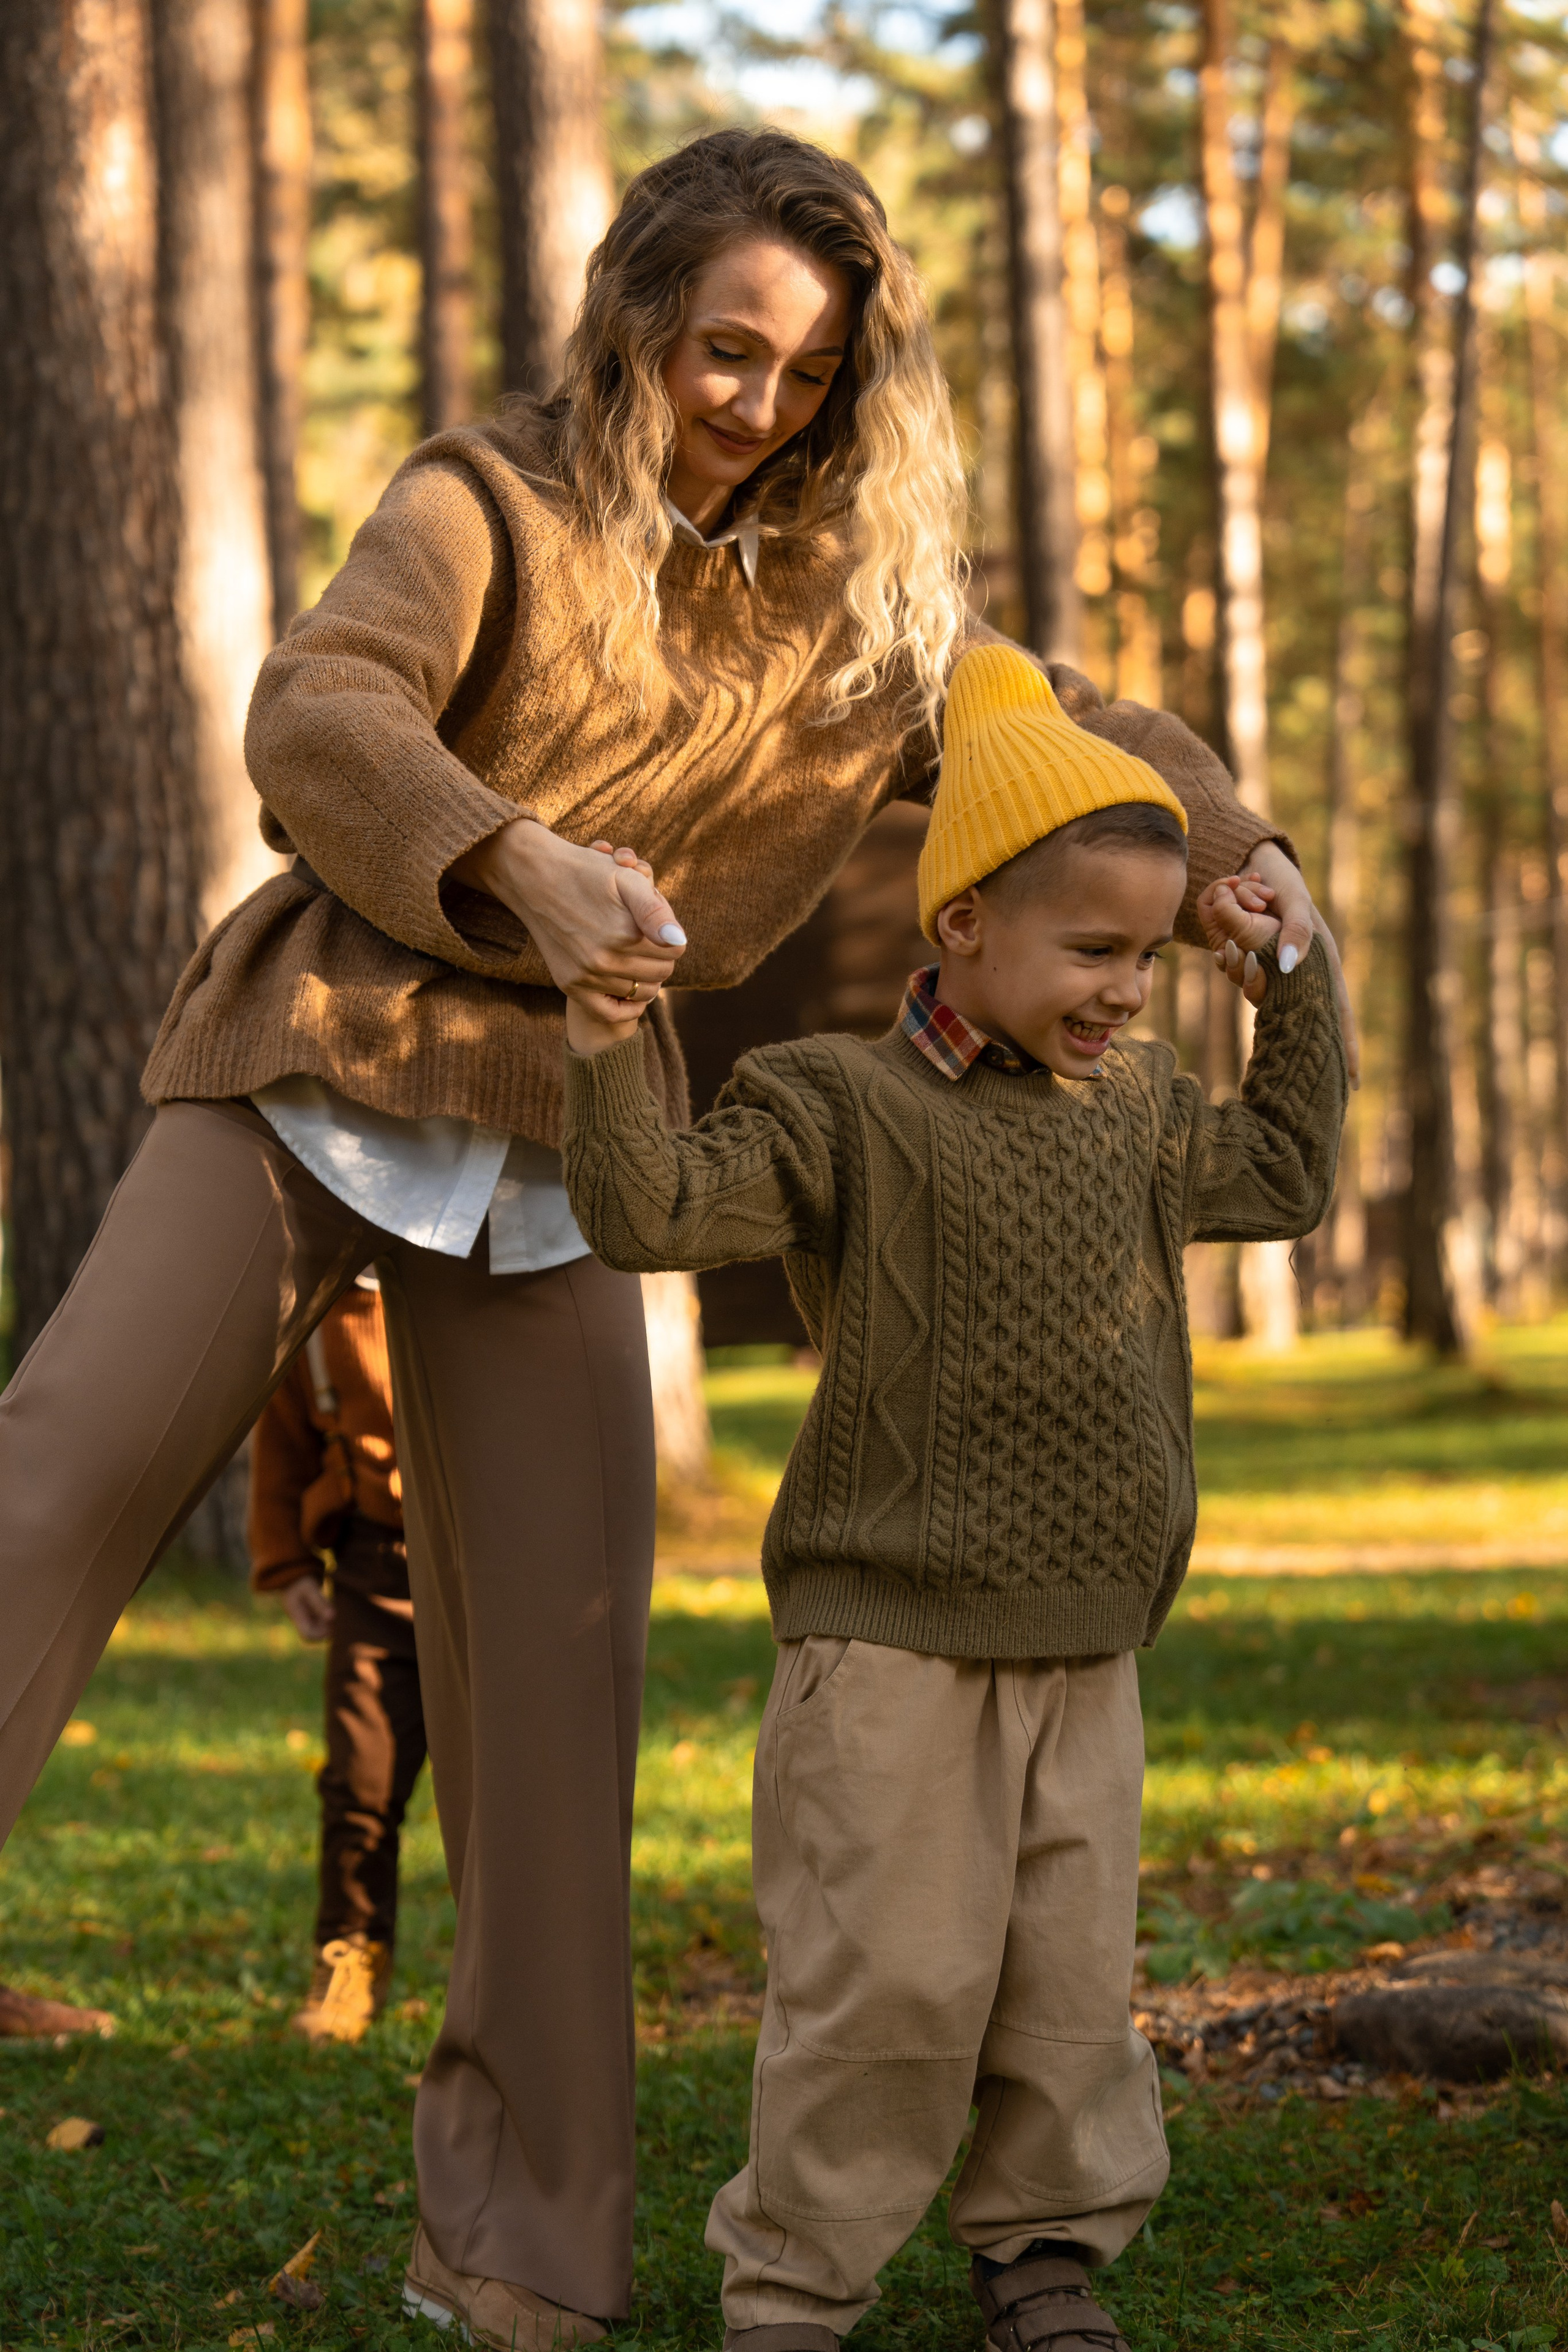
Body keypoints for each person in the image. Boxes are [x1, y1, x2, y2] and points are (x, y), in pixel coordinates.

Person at [0, 127, 1345, 2350]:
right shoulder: (481, 499)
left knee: (557, 1687)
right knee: (47, 1486)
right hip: (323, 1063)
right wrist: (506, 853)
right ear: (636, 318)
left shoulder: (856, 604)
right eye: (725, 351)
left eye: (804, 376)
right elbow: (315, 710)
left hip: (563, 1153)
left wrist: (1236, 851)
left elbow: (1066, 725)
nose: (755, 402)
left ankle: (519, 2258)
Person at [558, 644, 1348, 2352]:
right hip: (888, 1637)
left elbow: (1284, 1175)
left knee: (1068, 1988)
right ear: (963, 927)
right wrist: (612, 1036)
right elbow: (648, 1214)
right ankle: (792, 2289)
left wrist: (1298, 983)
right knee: (886, 1985)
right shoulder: (840, 1104)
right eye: (1094, 951)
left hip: (1089, 1641)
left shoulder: (1138, 1109)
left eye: (1148, 955)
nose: (1131, 990)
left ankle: (1043, 2256)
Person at [247, 1276, 425, 2044]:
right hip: (371, 1569)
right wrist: (287, 1566)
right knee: (359, 1780)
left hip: (485, 1571)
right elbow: (282, 1441)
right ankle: (350, 1960)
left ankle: (511, 1976)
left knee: (503, 1792)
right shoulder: (322, 1306)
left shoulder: (463, 1285)